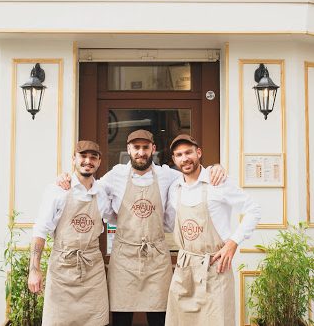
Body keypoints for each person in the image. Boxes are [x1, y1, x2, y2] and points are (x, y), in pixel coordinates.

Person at [58, 129, 226, 326]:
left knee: (159, 317)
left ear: (153, 149)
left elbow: (193, 173)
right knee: (121, 318)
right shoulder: (115, 175)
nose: (141, 152)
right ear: (128, 149)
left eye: (145, 147)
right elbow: (89, 187)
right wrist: (66, 177)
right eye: (136, 147)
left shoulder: (168, 175)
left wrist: (215, 167)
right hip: (124, 259)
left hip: (156, 258)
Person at [165, 134, 261, 326]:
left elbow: (254, 210)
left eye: (189, 152)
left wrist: (233, 243)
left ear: (198, 152)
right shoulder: (174, 187)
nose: (185, 158)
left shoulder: (218, 181)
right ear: (174, 160)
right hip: (185, 270)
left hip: (215, 268)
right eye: (179, 155)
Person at [28, 140, 113, 326]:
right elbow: (40, 230)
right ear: (74, 159)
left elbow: (116, 218)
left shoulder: (103, 192)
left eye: (93, 157)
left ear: (99, 162)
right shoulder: (57, 191)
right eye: (83, 156)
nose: (88, 161)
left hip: (92, 271)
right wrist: (34, 270)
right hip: (62, 270)